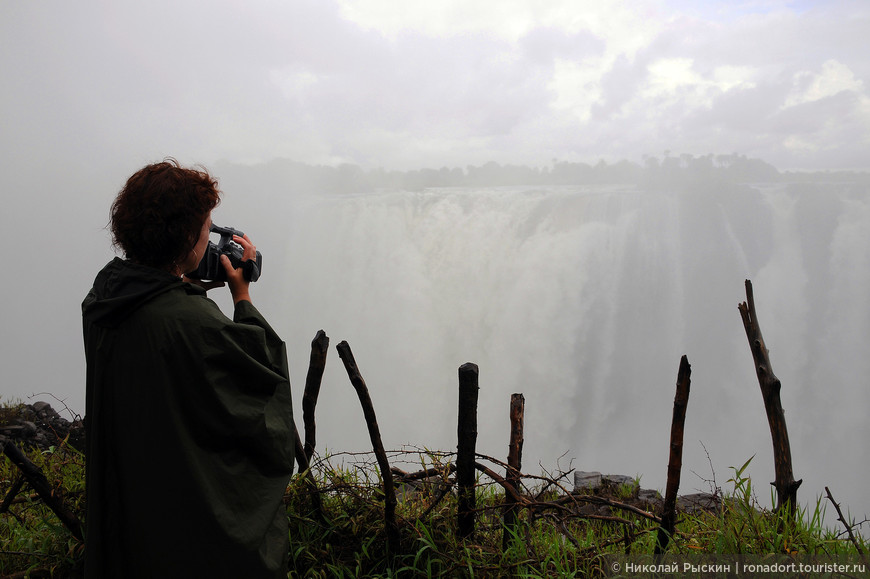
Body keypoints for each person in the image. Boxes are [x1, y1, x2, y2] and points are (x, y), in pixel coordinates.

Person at [82, 159, 295, 578]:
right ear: (187, 237)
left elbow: (160, 320)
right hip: (181, 521)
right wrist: (243, 298)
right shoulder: (192, 322)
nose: (209, 237)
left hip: (128, 501)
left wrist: (181, 283)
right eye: (206, 227)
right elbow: (261, 383)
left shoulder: (104, 297)